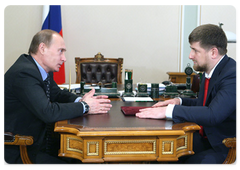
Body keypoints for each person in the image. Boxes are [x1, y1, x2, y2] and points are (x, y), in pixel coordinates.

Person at [2, 29, 112, 164]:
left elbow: (57, 94)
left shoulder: (41, 69)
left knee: (84, 159)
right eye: (61, 51)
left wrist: (80, 100)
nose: (64, 58)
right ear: (42, 48)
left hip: (42, 141)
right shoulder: (24, 73)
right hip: (21, 150)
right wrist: (85, 106)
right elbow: (48, 112)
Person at [136, 24, 237, 164]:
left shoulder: (233, 74)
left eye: (195, 50)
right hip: (205, 139)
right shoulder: (211, 71)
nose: (190, 56)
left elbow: (213, 114)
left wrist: (169, 111)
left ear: (213, 52)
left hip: (225, 146)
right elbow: (205, 104)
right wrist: (179, 101)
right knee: (158, 155)